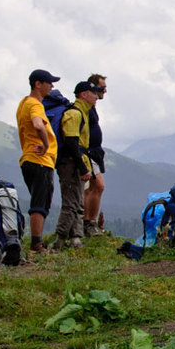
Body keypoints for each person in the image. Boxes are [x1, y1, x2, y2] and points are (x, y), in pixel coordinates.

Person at [17, 69, 61, 254]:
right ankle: (36, 244)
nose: (52, 86)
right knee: (40, 202)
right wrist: (45, 144)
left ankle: (37, 242)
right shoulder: (35, 104)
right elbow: (37, 124)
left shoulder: (23, 104)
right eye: (49, 82)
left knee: (40, 200)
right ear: (38, 84)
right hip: (40, 160)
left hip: (28, 158)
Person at [53, 81, 99, 247]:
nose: (96, 97)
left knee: (78, 201)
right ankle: (59, 240)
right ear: (84, 94)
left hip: (76, 162)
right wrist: (82, 167)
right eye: (93, 93)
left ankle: (75, 237)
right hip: (70, 163)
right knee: (71, 203)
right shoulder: (75, 114)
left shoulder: (83, 113)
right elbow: (72, 143)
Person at [82, 73, 108, 236]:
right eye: (102, 87)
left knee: (93, 187)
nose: (105, 91)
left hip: (95, 152)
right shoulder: (86, 107)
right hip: (89, 152)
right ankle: (88, 222)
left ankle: (89, 222)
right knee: (97, 186)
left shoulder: (92, 107)